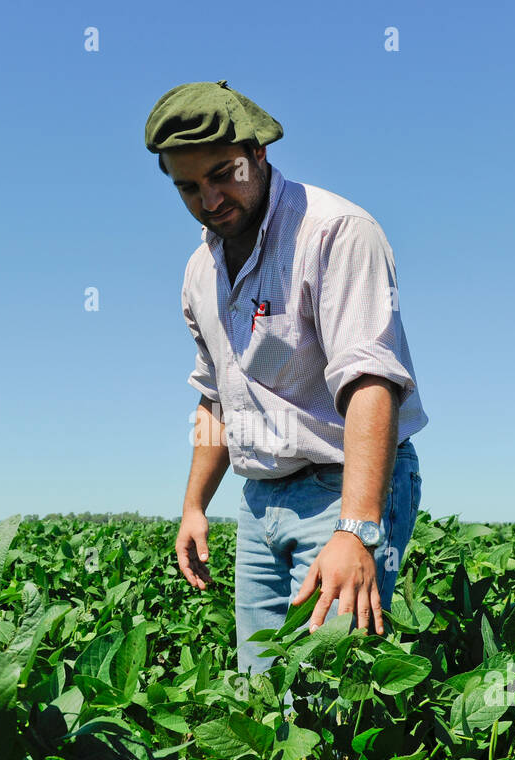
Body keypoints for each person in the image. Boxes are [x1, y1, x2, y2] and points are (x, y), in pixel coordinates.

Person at [146, 80, 428, 678]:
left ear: (259, 154)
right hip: (259, 501)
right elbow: (218, 395)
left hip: (342, 489)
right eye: (188, 187)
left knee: (328, 695)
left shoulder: (335, 232)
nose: (211, 197)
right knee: (260, 691)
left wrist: (356, 530)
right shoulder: (200, 271)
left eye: (224, 173)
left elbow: (371, 381)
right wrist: (194, 505)